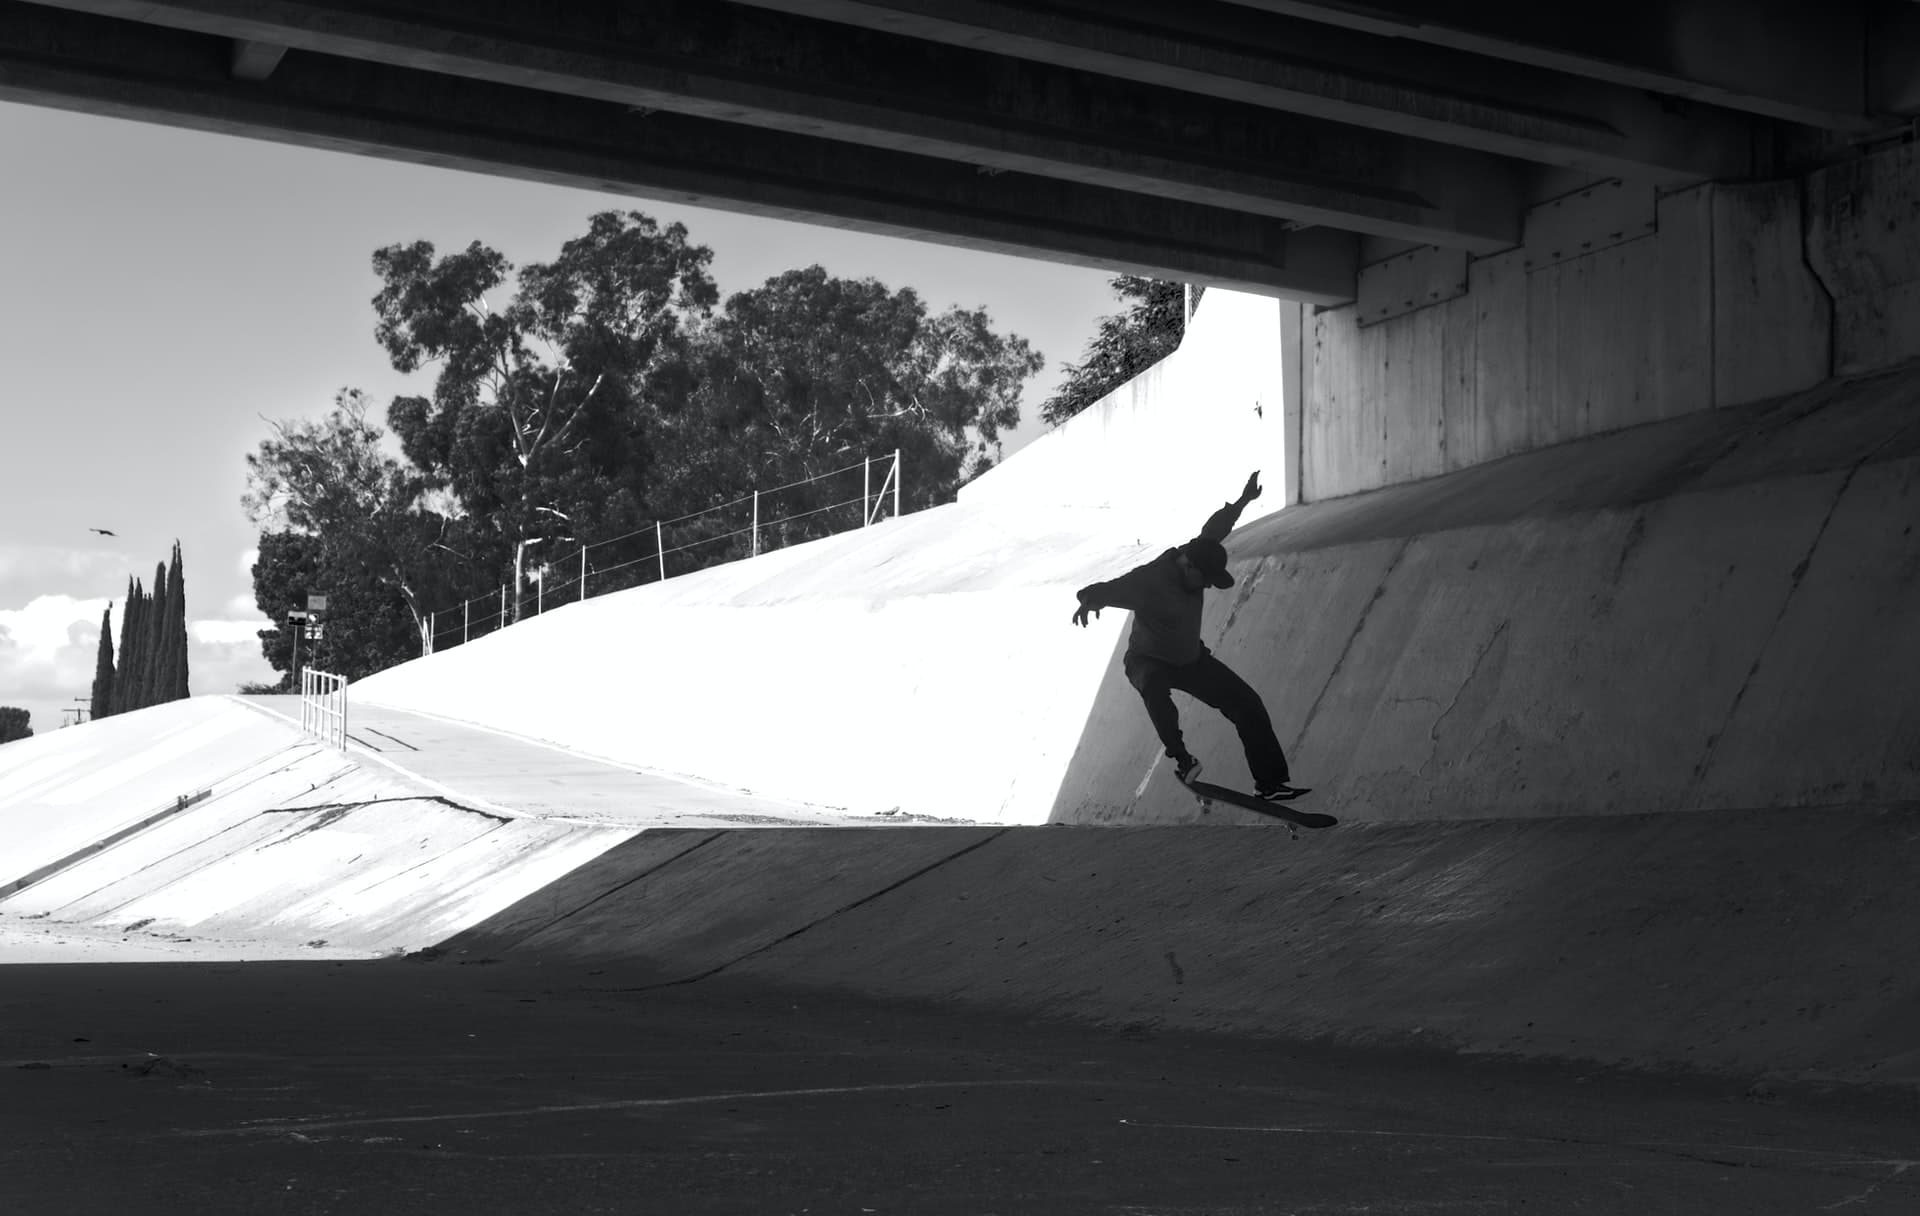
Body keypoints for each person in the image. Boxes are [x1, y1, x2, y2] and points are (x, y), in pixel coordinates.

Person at [1071, 472, 1305, 800]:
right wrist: (1088, 601)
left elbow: (1216, 528)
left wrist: (1243, 500)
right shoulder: (1149, 581)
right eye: (1205, 580)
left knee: (1247, 703)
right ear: (1188, 566)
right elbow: (1106, 589)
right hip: (1147, 659)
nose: (1207, 586)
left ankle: (1270, 784)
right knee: (1155, 689)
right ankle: (1182, 759)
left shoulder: (1198, 552)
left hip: (1191, 660)